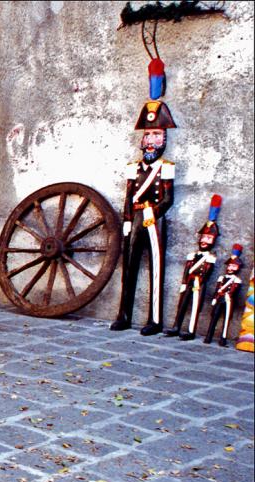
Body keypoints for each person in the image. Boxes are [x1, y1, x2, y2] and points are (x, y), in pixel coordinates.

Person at [110, 98, 176, 335]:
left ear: (164, 138)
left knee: (156, 269)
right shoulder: (133, 167)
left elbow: (168, 199)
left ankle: (155, 320)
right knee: (128, 267)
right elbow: (129, 196)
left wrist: (154, 213)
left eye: (156, 134)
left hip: (154, 219)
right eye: (147, 135)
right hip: (136, 217)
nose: (150, 140)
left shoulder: (166, 167)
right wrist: (127, 220)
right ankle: (124, 315)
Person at [164, 195, 220, 340]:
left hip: (199, 284)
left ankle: (191, 330)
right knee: (182, 304)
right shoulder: (193, 255)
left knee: (195, 306)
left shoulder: (210, 258)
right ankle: (176, 326)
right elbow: (187, 270)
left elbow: (207, 272)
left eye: (209, 238)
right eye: (204, 237)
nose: (205, 241)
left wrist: (198, 282)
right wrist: (184, 283)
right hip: (189, 282)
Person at [204, 245, 244, 346]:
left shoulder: (236, 280)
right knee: (214, 317)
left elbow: (234, 291)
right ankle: (208, 336)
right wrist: (214, 298)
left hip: (228, 301)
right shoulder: (222, 278)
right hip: (219, 299)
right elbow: (217, 289)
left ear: (238, 268)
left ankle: (223, 338)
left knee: (226, 320)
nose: (230, 268)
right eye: (230, 266)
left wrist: (228, 295)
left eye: (234, 266)